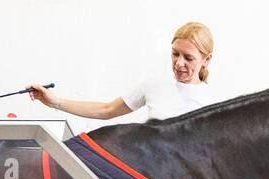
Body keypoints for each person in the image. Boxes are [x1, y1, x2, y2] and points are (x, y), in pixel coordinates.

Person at [28, 22, 218, 122]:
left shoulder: (215, 103)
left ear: (206, 60)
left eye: (188, 58)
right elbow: (106, 110)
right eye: (175, 54)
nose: (178, 63)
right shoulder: (153, 86)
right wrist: (55, 101)